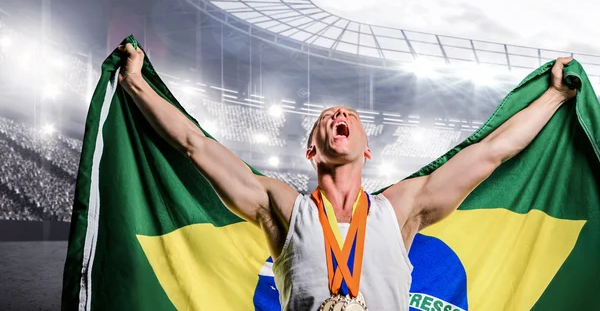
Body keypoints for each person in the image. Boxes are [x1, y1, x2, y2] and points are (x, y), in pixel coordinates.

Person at [117, 43, 575, 311]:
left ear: (367, 148)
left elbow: (491, 154)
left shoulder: (400, 208)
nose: (339, 113)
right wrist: (135, 83)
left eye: (349, 115)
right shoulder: (282, 207)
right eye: (328, 115)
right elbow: (195, 145)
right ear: (312, 150)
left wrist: (554, 97)